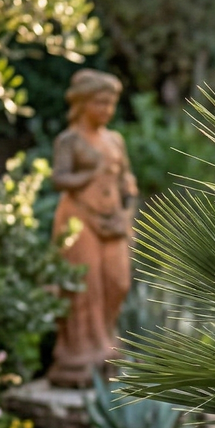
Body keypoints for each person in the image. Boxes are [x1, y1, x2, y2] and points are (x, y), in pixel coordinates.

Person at [48, 69, 138, 387]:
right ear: (84, 103)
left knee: (118, 282)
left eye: (111, 104)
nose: (106, 110)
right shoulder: (69, 140)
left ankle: (106, 339)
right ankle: (81, 354)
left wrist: (127, 212)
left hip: (112, 221)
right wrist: (88, 175)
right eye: (100, 102)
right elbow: (59, 179)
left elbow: (128, 181)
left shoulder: (115, 140)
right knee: (85, 284)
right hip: (78, 217)